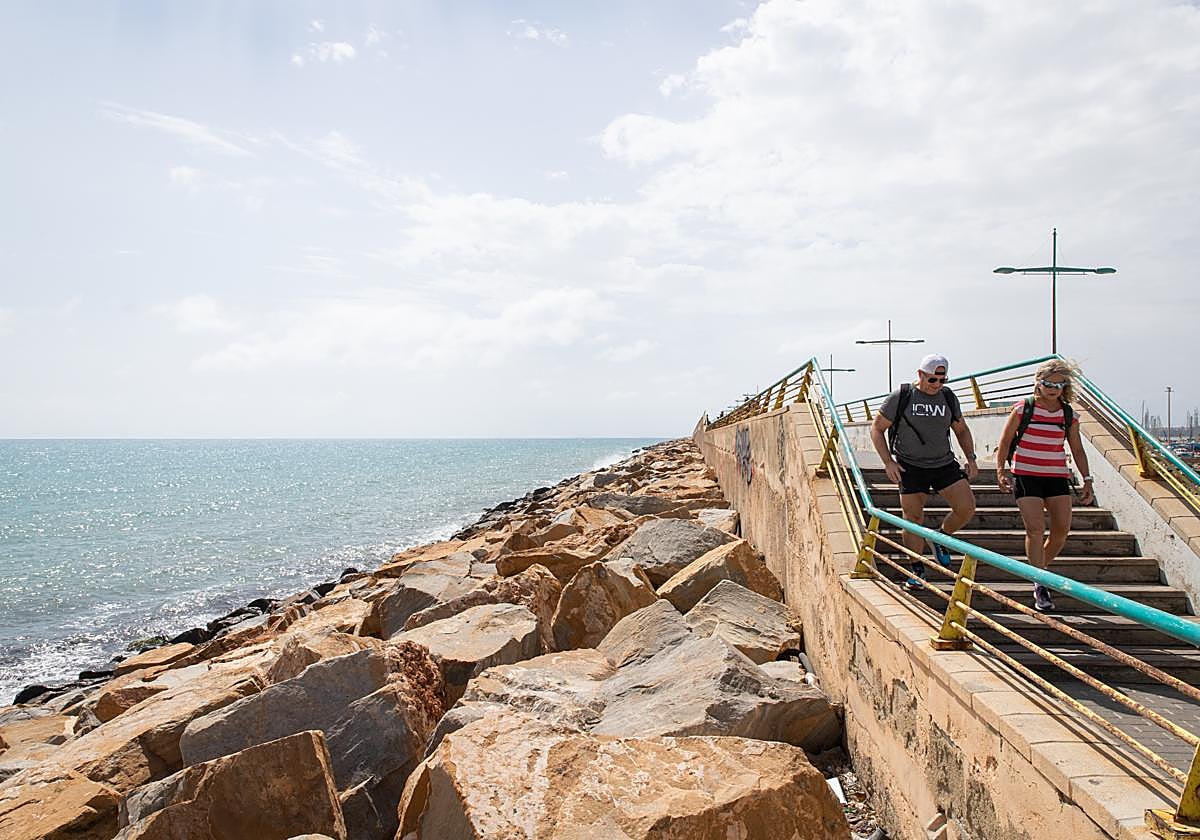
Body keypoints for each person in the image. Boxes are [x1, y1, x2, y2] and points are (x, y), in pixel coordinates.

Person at [870, 354, 979, 590]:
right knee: (913, 519)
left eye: (942, 380)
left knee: (966, 507)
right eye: (932, 380)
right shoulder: (902, 396)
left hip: (943, 463)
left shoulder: (948, 397)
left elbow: (961, 429)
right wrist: (888, 462)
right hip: (910, 465)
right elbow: (877, 429)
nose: (937, 385)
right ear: (920, 375)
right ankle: (916, 569)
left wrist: (970, 458)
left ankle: (939, 536)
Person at [995, 359, 1094, 613]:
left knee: (1061, 530)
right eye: (1048, 383)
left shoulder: (1068, 415)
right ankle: (1040, 583)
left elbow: (1078, 449)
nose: (1052, 388)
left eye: (1059, 384)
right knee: (1035, 529)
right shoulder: (1022, 409)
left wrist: (1087, 479)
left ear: (1065, 386)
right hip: (1026, 475)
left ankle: (1037, 570)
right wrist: (1001, 470)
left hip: (1057, 476)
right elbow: (1005, 442)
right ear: (1038, 383)